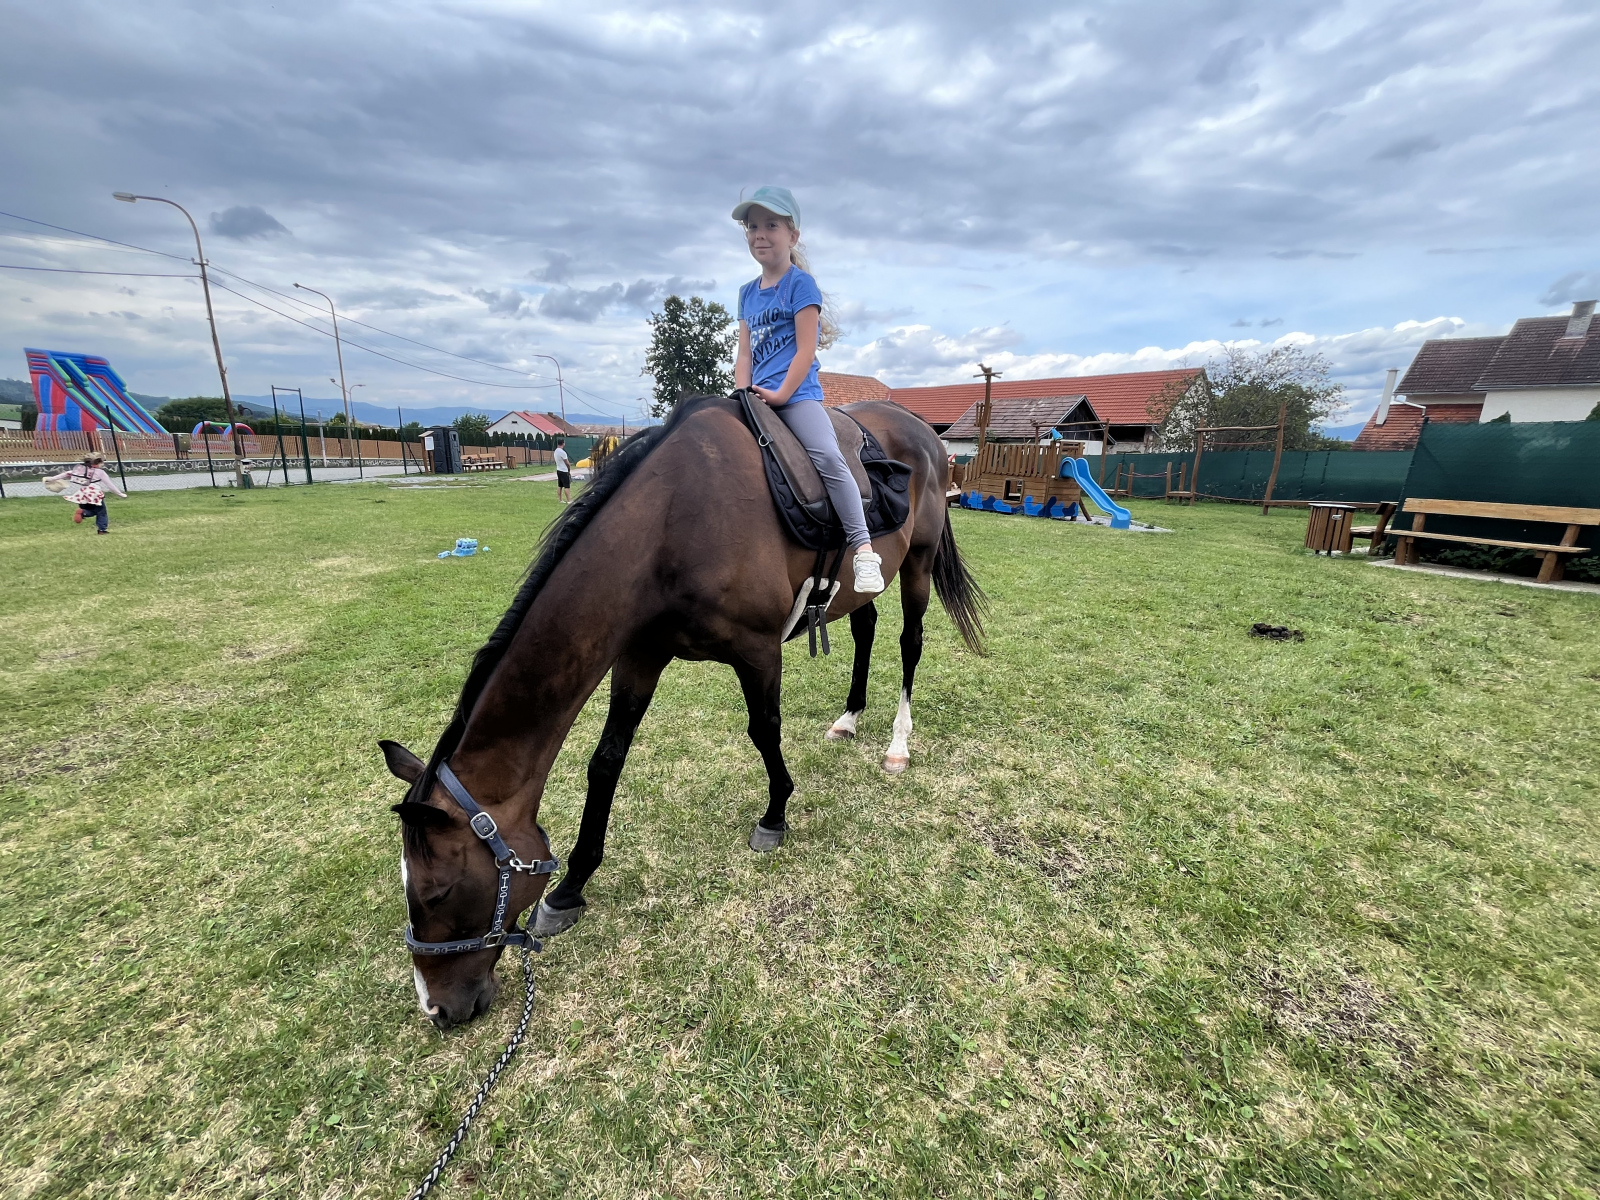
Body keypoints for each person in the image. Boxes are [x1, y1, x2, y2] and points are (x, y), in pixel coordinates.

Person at [732, 186, 884, 594]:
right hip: (755, 399)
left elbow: (805, 350)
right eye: (752, 227)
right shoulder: (746, 293)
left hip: (796, 397)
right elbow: (744, 354)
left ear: (792, 235)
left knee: (829, 458)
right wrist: (742, 393)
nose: (760, 234)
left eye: (771, 225)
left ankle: (863, 549)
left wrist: (781, 395)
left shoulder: (801, 285)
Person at [44, 452, 127, 534]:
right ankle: (102, 530)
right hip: (94, 494)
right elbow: (110, 485)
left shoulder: (80, 470)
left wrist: (51, 479)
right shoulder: (100, 472)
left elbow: (66, 474)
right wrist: (120, 494)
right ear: (98, 462)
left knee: (92, 510)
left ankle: (83, 512)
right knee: (101, 512)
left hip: (82, 495)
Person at [552, 436, 572, 503]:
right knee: (567, 486)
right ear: (563, 443)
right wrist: (569, 469)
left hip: (558, 469)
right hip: (564, 470)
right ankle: (569, 500)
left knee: (560, 485)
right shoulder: (562, 452)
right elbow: (567, 463)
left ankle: (560, 499)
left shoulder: (556, 451)